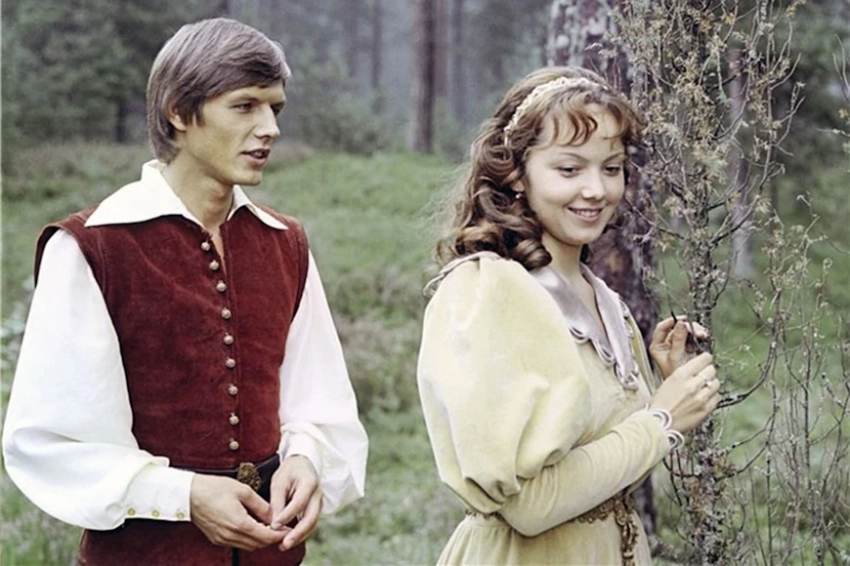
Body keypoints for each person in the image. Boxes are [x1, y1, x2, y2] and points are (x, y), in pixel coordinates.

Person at [2, 18, 368, 566]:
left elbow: (320, 403)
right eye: (245, 106)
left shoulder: (283, 243)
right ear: (178, 112)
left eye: (275, 108)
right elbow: (51, 442)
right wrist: (184, 495)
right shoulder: (93, 248)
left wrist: (306, 459)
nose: (269, 128)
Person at [416, 66, 721, 565]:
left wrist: (661, 383)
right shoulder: (487, 291)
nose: (596, 189)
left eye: (611, 168)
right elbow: (529, 505)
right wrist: (661, 418)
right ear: (517, 173)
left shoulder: (606, 301)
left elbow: (607, 471)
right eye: (569, 169)